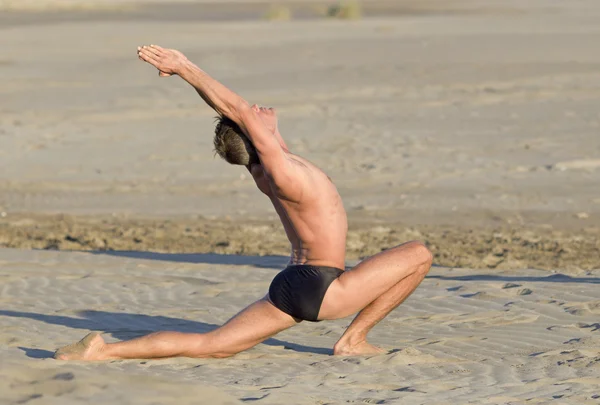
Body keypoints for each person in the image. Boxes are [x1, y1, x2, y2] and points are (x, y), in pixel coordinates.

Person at [54, 45, 433, 361]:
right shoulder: (281, 172)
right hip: (322, 287)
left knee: (214, 346)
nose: (259, 110)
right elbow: (237, 111)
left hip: (292, 283)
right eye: (255, 119)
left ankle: (104, 351)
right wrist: (184, 67)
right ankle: (353, 341)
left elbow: (236, 118)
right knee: (419, 254)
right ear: (257, 141)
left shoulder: (266, 174)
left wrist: (262, 127)